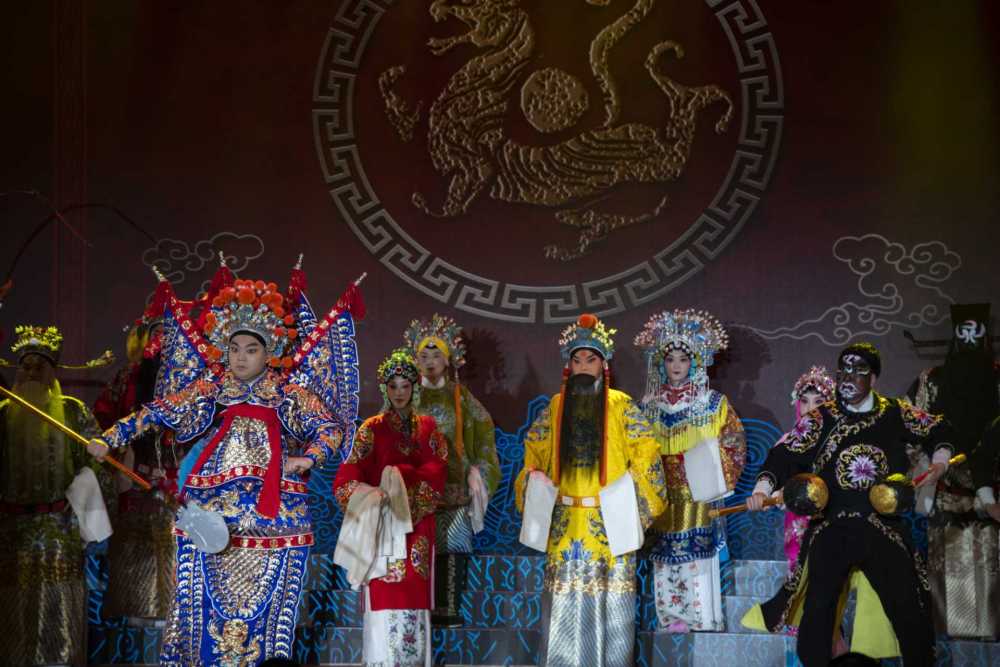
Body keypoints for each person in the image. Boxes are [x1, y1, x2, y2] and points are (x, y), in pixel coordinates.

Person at [88, 277, 346, 666]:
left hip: (275, 516)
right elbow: (160, 410)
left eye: (251, 350)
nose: (240, 358)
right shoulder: (213, 386)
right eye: (234, 349)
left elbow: (330, 429)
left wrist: (308, 458)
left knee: (269, 611)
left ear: (270, 351)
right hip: (213, 509)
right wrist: (111, 437)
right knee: (199, 604)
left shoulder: (287, 394)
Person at [744, 342, 958, 667]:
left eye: (858, 371)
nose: (848, 378)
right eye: (843, 371)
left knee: (909, 607)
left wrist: (940, 461)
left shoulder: (895, 412)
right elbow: (783, 455)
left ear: (873, 378)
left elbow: (939, 428)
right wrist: (762, 488)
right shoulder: (820, 418)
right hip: (832, 525)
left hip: (882, 526)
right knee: (818, 610)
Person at [514, 313, 667, 666]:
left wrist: (623, 500)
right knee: (562, 611)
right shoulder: (555, 407)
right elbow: (533, 453)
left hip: (608, 525)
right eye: (577, 360)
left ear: (604, 365)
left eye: (591, 359)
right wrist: (534, 481)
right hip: (566, 526)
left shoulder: (621, 405)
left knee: (611, 611)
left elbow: (647, 455)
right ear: (568, 366)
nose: (583, 366)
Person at [0, 325, 114, 666]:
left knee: (59, 607)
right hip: (11, 531)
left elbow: (98, 469)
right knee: (13, 608)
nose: (32, 372)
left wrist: (91, 511)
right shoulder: (3, 413)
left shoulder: (73, 411)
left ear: (53, 371)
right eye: (26, 366)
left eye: (41, 366)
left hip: (59, 528)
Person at [333, 348, 448, 667]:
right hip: (382, 522)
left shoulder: (428, 428)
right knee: (383, 589)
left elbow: (437, 469)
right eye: (393, 386)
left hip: (416, 526)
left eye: (405, 386)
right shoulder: (371, 428)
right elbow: (348, 474)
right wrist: (371, 494)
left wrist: (401, 480)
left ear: (415, 387)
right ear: (385, 388)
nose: (399, 393)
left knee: (413, 593)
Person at [633, 308, 746, 633]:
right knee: (663, 556)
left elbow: (734, 442)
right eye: (670, 359)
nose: (676, 365)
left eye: (683, 359)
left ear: (696, 362)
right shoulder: (647, 406)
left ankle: (702, 618)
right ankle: (670, 619)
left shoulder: (712, 403)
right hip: (662, 493)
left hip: (697, 493)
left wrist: (704, 464)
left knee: (698, 555)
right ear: (660, 363)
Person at [907, 303, 1000, 637]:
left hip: (993, 499)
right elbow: (913, 432)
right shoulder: (931, 380)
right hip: (945, 493)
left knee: (991, 590)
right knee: (948, 589)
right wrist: (927, 478)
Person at [403, 314, 500, 626]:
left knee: (453, 546)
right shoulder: (406, 395)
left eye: (436, 356)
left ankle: (449, 608)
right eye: (424, 356)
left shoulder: (461, 397)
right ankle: (418, 608)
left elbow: (484, 434)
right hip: (417, 488)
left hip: (454, 485)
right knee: (417, 548)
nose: (430, 362)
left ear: (448, 360)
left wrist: (478, 470)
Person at [783, 367, 836, 572]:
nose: (810, 408)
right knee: (798, 569)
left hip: (830, 515)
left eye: (818, 401)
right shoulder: (788, 442)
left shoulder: (840, 442)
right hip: (798, 517)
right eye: (804, 401)